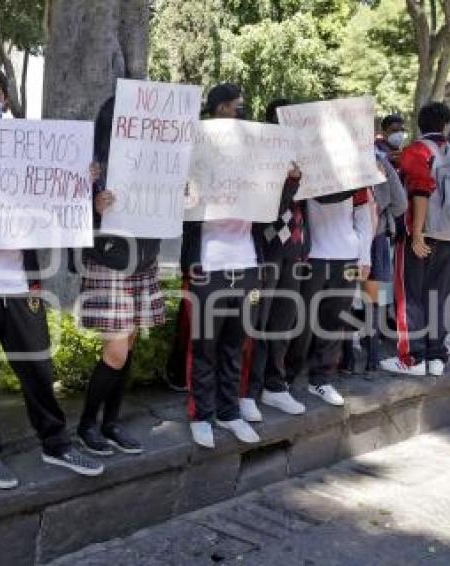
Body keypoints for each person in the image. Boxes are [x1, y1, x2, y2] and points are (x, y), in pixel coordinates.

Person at [0, 65, 103, 488]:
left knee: (38, 367)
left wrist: (80, 182)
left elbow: (55, 189)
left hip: (21, 281)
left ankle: (56, 443)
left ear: (5, 102)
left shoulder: (31, 148)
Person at [74, 96, 167, 456]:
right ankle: (86, 425)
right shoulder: (91, 164)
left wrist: (183, 192)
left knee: (127, 346)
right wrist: (93, 208)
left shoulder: (159, 161)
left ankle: (110, 423)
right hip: (108, 261)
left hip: (144, 260)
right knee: (115, 351)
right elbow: (64, 213)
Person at [182, 83, 264, 448]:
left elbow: (271, 209)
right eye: (233, 106)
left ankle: (229, 412)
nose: (239, 113)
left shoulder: (256, 154)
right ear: (217, 110)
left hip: (246, 264)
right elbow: (182, 210)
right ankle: (202, 414)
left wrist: (287, 182)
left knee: (235, 345)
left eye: (242, 107)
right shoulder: (194, 153)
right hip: (208, 265)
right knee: (205, 345)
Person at [381, 102, 450, 377]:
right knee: (439, 296)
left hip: (420, 234)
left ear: (420, 124)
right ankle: (436, 356)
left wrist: (416, 234)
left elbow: (420, 191)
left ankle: (412, 358)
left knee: (411, 296)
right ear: (446, 124)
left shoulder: (416, 151)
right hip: (449, 234)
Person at [238, 99, 306, 418]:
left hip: (295, 246)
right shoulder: (259, 157)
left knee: (283, 317)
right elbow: (266, 208)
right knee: (259, 319)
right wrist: (289, 180)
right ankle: (248, 390)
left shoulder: (307, 154)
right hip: (266, 245)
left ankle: (274, 385)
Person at [285, 181, 374, 403]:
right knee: (301, 322)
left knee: (335, 321)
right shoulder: (308, 166)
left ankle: (321, 379)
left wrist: (365, 257)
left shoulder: (355, 174)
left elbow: (364, 216)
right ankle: (286, 376)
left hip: (348, 258)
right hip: (311, 256)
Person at [361, 149, 408, 371]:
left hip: (340, 243)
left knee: (341, 297)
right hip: (376, 238)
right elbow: (400, 202)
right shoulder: (377, 159)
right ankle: (373, 357)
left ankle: (345, 358)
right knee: (376, 298)